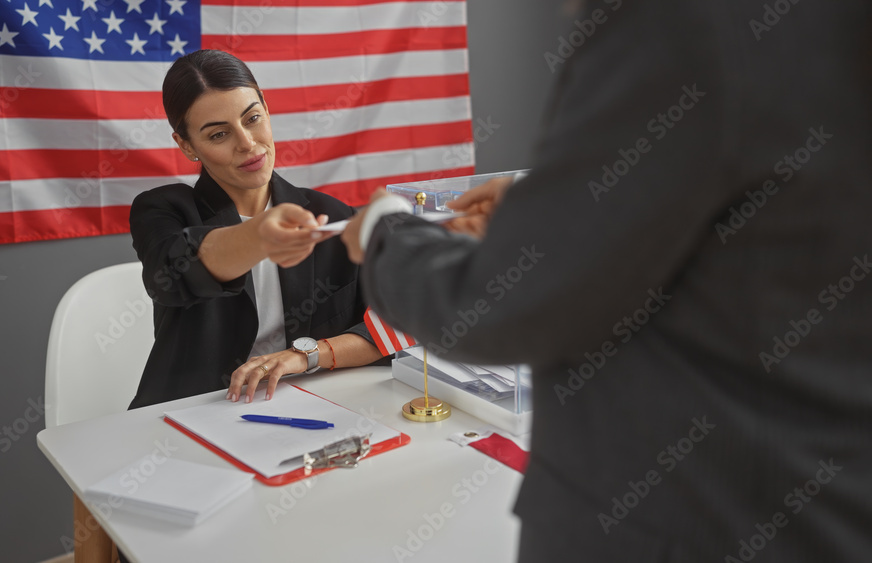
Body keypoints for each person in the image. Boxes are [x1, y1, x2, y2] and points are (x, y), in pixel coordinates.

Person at [341, 0, 872, 561]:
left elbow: (501, 306)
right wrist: (552, 209)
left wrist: (385, 231)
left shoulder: (678, 22)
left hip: (680, 519)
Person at [129, 49, 382, 410]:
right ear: (187, 145)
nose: (247, 143)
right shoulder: (162, 210)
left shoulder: (332, 214)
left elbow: (387, 329)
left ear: (266, 106)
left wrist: (305, 355)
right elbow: (172, 275)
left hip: (309, 405)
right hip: (193, 413)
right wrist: (258, 235)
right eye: (219, 134)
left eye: (252, 118)